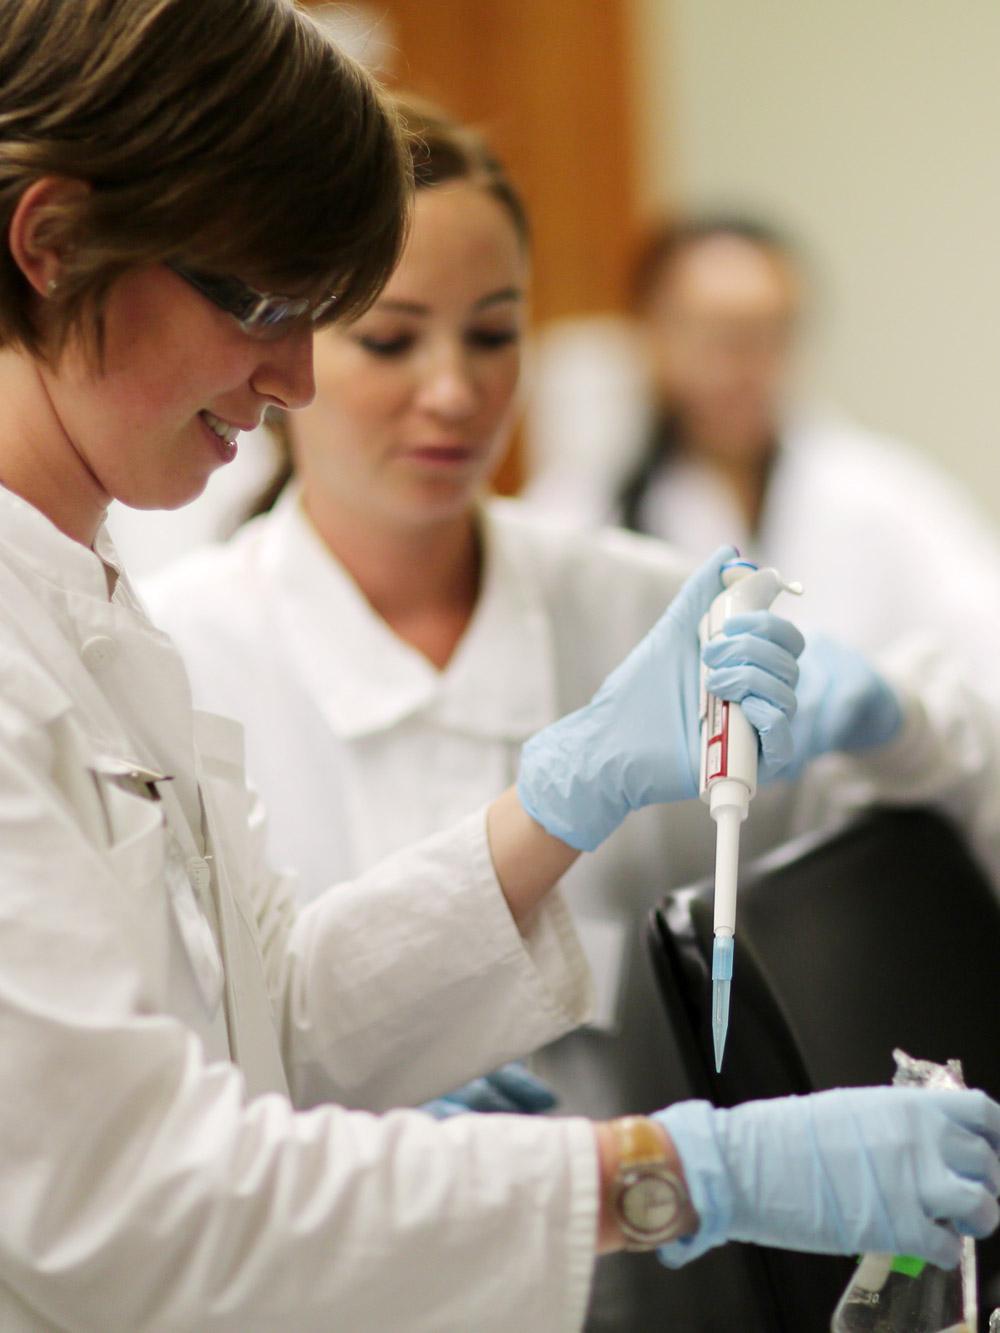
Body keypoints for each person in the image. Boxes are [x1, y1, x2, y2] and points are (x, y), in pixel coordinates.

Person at [140, 91, 1000, 1329]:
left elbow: (927, 824)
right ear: (286, 344)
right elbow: (142, 1087)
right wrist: (330, 1103)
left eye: (494, 334)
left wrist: (882, 715)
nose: (455, 392)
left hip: (667, 1287)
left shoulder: (637, 609)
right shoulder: (180, 652)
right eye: (391, 340)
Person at [523, 215, 1000, 695]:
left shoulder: (886, 497)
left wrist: (895, 720)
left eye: (768, 335)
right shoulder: (579, 509)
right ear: (652, 334)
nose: (743, 365)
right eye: (716, 336)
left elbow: (985, 656)